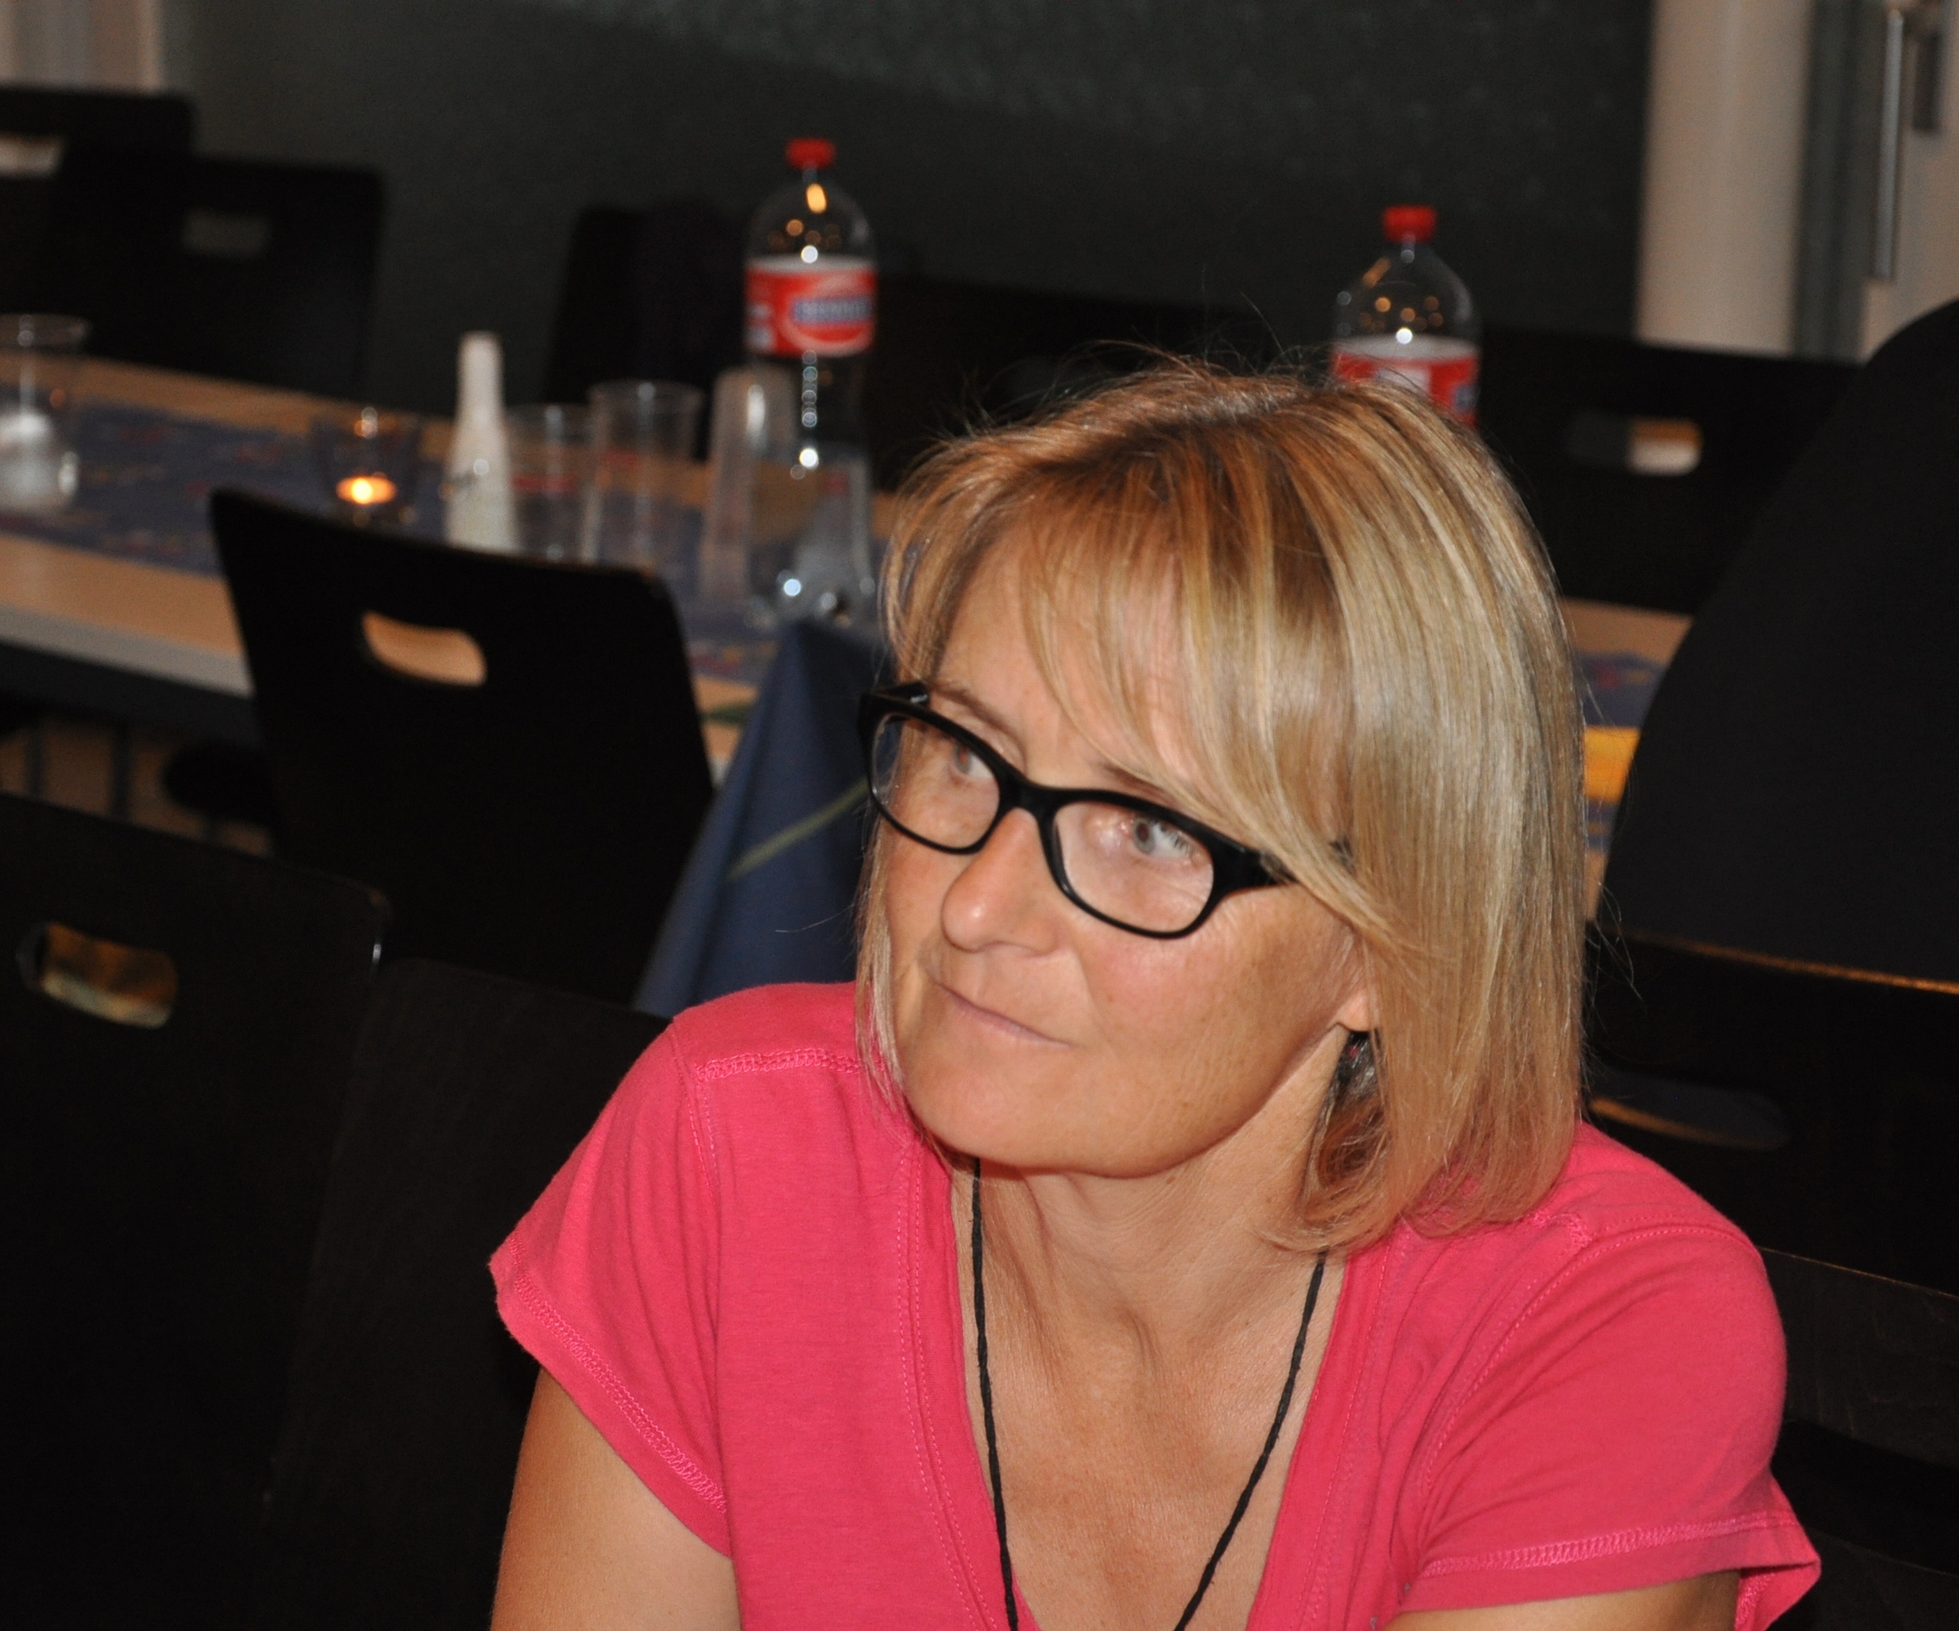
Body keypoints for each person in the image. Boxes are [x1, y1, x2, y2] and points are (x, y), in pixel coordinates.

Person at [489, 362, 1816, 1630]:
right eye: (966, 755)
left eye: (1149, 831)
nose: (976, 908)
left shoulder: (1599, 1327)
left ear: (1393, 945)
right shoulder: (729, 1147)